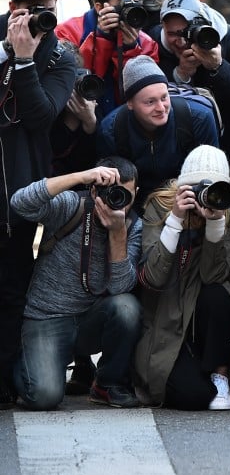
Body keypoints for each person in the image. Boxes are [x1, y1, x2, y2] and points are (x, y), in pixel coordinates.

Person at [0, 0, 77, 408]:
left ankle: (6, 379)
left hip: (18, 191)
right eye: (29, 11)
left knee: (12, 287)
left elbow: (41, 116)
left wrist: (25, 60)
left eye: (47, 10)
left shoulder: (59, 56)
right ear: (13, 9)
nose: (38, 20)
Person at [11, 157, 143, 410]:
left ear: (136, 194)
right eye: (110, 193)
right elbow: (20, 202)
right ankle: (25, 360)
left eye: (124, 196)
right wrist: (81, 175)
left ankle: (107, 383)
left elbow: (120, 288)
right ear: (94, 190)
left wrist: (117, 234)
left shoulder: (132, 225)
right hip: (47, 317)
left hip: (89, 320)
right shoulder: (73, 205)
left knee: (127, 307)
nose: (118, 203)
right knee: (44, 396)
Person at [134, 145, 230, 410]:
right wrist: (175, 220)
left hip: (201, 317)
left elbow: (214, 276)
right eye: (197, 188)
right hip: (165, 317)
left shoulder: (224, 211)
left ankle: (219, 372)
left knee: (219, 294)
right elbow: (154, 277)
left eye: (212, 188)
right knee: (194, 396)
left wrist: (215, 224)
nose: (204, 195)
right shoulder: (160, 206)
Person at [96, 55, 220, 209]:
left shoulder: (199, 118)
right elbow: (111, 186)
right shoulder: (111, 129)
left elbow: (212, 175)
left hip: (189, 199)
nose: (161, 108)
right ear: (130, 103)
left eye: (164, 97)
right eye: (150, 102)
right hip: (137, 203)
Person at [153, 0, 230, 181]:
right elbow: (149, 97)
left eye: (186, 32)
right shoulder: (155, 41)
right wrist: (181, 74)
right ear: (162, 29)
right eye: (172, 34)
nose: (181, 42)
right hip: (174, 140)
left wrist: (218, 67)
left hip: (227, 137)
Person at [74, 0, 160, 118]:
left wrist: (130, 48)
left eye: (137, 2)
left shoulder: (147, 43)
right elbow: (84, 85)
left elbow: (141, 94)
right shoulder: (71, 31)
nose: (132, 8)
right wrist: (102, 39)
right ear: (99, 7)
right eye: (124, 2)